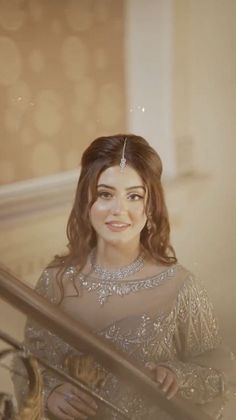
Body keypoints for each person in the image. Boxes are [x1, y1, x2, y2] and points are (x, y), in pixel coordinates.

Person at [13, 134, 235, 419]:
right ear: (86, 200)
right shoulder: (55, 280)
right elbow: (27, 360)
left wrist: (177, 375)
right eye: (106, 194)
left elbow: (219, 375)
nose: (119, 210)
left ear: (150, 206)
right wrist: (49, 392)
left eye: (134, 196)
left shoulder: (182, 288)